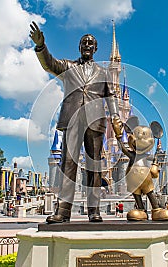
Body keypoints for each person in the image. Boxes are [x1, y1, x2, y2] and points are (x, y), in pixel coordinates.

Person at [30, 22, 123, 224]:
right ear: (79, 47)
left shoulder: (104, 72)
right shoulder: (68, 67)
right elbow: (49, 64)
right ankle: (63, 211)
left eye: (91, 43)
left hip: (96, 121)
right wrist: (41, 47)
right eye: (84, 43)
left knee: (95, 166)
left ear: (95, 49)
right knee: (69, 164)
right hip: (72, 119)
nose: (87, 46)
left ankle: (94, 211)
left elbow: (112, 95)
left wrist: (115, 115)